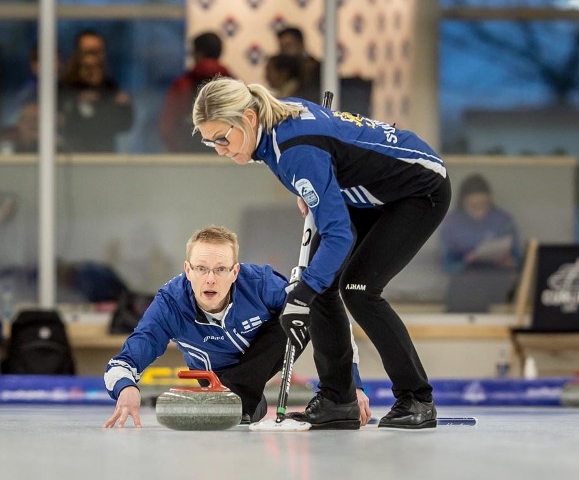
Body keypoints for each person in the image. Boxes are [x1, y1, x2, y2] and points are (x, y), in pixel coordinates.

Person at [192, 78, 451, 430]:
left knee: (358, 289)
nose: (220, 149)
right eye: (210, 142)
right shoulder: (274, 127)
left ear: (249, 118)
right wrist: (313, 187)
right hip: (363, 189)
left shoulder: (295, 148)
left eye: (223, 138)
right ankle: (337, 399)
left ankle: (417, 398)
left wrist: (305, 288)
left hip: (418, 188)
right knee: (322, 286)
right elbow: (325, 158)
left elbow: (339, 235)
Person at [103, 225, 371, 429]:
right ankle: (245, 401)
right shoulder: (170, 303)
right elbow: (120, 364)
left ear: (235, 272)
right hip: (215, 383)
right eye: (201, 269)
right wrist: (126, 389)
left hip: (239, 380)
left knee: (303, 308)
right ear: (187, 270)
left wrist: (350, 386)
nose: (210, 279)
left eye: (220, 270)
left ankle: (238, 396)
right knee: (245, 412)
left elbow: (330, 318)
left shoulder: (260, 283)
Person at [441, 174, 520, 312]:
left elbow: (519, 259)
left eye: (483, 205)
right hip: (464, 286)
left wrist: (510, 262)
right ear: (462, 203)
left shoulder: (503, 220)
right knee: (467, 288)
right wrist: (466, 261)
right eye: (472, 205)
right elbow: (446, 265)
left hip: (498, 282)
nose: (479, 210)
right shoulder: (451, 223)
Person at [159, 31, 235, 153]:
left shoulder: (182, 85)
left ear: (198, 53)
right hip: (227, 159)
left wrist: (179, 153)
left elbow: (168, 127)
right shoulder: (235, 86)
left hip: (189, 159)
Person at [58, 44, 133, 152]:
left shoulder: (110, 89)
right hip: (74, 151)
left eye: (97, 66)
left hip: (104, 150)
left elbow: (124, 125)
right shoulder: (67, 90)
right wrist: (78, 103)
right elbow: (61, 121)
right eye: (87, 67)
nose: (92, 71)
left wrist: (124, 107)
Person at [277, 26, 321, 102]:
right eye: (281, 47)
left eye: (288, 46)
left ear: (300, 44)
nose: (284, 51)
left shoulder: (316, 69)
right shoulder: (285, 72)